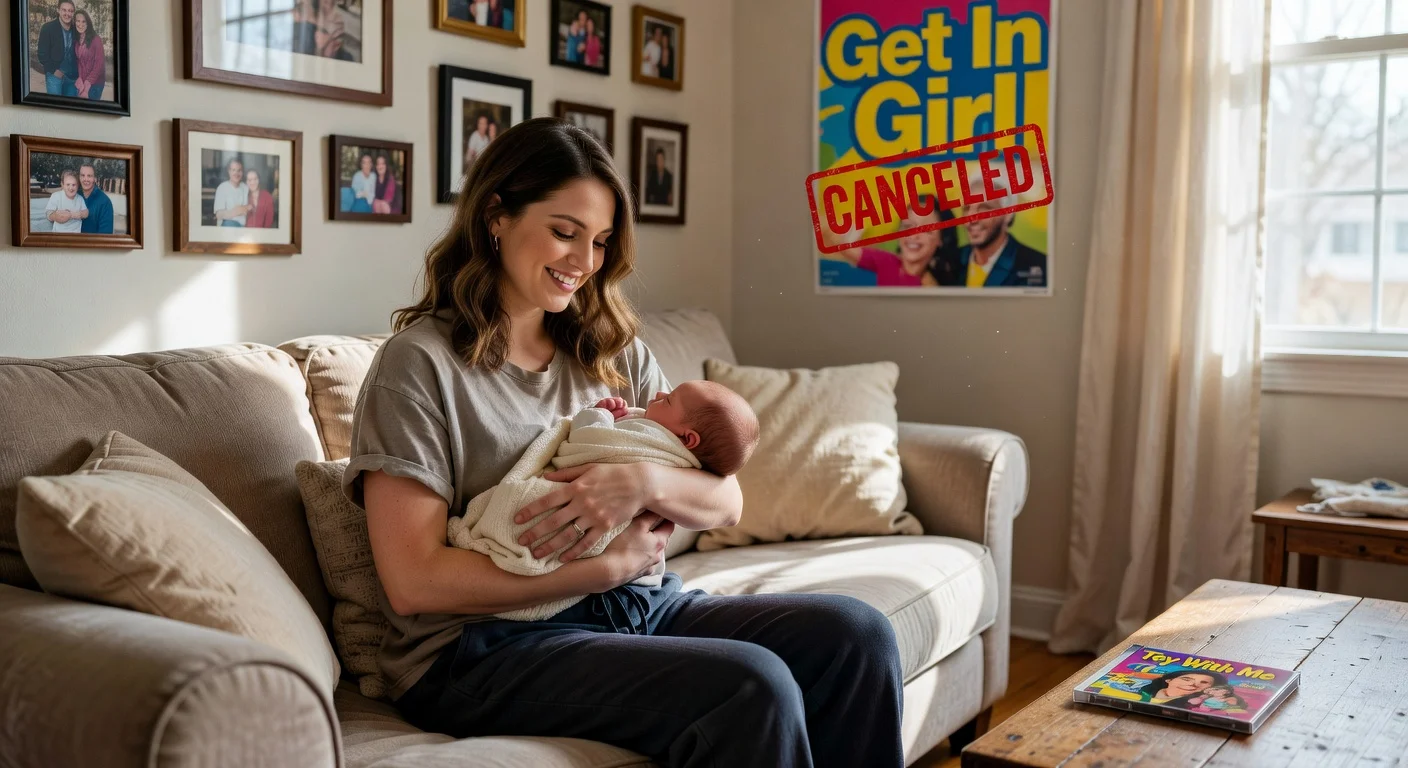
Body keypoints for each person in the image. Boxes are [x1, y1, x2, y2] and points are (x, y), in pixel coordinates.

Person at [342, 117, 904, 767]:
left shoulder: (610, 351)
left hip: (635, 606)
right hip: (480, 650)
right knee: (751, 688)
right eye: (564, 231)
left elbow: (726, 503)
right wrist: (604, 568)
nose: (583, 262)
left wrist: (641, 484)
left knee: (856, 636)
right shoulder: (419, 366)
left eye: (601, 241)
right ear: (496, 215)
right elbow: (413, 582)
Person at [446, 380, 760, 621]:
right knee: (761, 678)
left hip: (646, 595)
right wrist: (611, 568)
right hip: (623, 593)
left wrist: (641, 480)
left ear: (687, 440)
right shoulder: (675, 436)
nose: (660, 393)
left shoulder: (650, 426)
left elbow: (590, 443)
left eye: (669, 399)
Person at [826, 196, 957, 287]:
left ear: (941, 239)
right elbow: (842, 246)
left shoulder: (936, 285)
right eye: (907, 226)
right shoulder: (886, 262)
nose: (914, 235)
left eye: (925, 229)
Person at [930, 190, 1048, 288]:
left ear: (1008, 215)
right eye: (967, 209)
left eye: (984, 209)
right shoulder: (949, 262)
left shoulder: (1040, 266)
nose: (972, 219)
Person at [37, 1, 79, 97]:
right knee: (55, 108)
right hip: (54, 76)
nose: (67, 14)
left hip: (72, 78)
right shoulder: (47, 28)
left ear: (73, 13)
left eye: (70, 11)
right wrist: (55, 71)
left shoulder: (76, 29)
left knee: (70, 109)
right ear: (58, 10)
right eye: (64, 10)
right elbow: (42, 54)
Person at [73, 10, 105, 101]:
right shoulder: (78, 39)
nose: (80, 24)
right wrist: (80, 78)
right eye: (78, 21)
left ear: (88, 23)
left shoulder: (96, 39)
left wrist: (87, 85)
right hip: (82, 81)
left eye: (83, 21)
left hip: (95, 83)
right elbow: (80, 61)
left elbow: (99, 65)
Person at [212, 158, 249, 227]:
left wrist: (231, 212)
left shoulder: (245, 187)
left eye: (239, 170)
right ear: (229, 171)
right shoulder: (222, 188)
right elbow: (219, 215)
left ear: (242, 172)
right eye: (233, 170)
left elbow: (248, 209)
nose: (236, 173)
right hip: (228, 225)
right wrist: (237, 211)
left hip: (244, 226)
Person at [78, 164, 114, 234]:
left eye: (89, 176)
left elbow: (105, 235)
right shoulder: (74, 195)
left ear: (95, 178)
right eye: (82, 175)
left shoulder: (105, 202)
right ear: (79, 177)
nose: (85, 179)